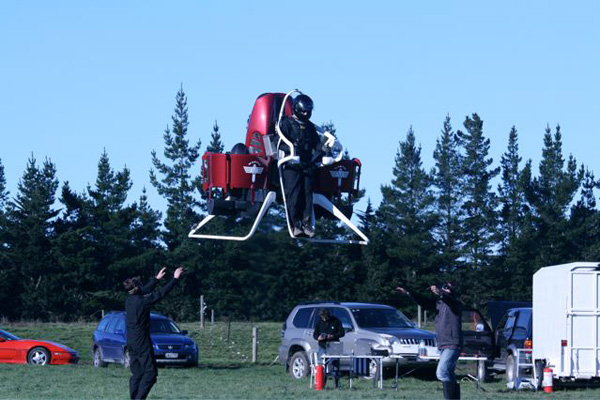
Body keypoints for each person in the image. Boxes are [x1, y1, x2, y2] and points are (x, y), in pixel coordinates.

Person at [123, 266, 185, 400]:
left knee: (137, 374)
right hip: (141, 342)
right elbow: (161, 293)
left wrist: (156, 279)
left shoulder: (129, 301)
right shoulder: (143, 302)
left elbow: (144, 290)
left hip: (130, 341)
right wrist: (175, 279)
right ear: (137, 288)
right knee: (151, 374)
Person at [395, 282, 463, 400]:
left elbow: (448, 299)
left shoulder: (456, 304)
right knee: (449, 374)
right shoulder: (438, 303)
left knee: (441, 373)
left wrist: (439, 292)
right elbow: (422, 301)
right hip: (442, 344)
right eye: (444, 288)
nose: (446, 291)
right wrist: (408, 292)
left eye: (448, 289)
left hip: (453, 344)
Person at [278, 94, 321, 238]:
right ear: (296, 109)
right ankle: (295, 224)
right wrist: (290, 151)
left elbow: (316, 143)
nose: (306, 114)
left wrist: (323, 149)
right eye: (304, 111)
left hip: (307, 165)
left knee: (308, 195)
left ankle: (307, 224)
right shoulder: (286, 124)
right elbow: (280, 143)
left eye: (308, 111)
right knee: (294, 194)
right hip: (292, 166)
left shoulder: (309, 127)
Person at [313, 308, 345, 388]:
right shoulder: (318, 322)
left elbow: (342, 333)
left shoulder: (336, 321)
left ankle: (336, 385)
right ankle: (321, 384)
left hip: (334, 345)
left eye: (325, 317)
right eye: (322, 317)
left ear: (328, 315)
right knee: (322, 365)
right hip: (323, 346)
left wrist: (333, 336)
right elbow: (315, 334)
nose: (324, 319)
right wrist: (318, 337)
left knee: (334, 365)